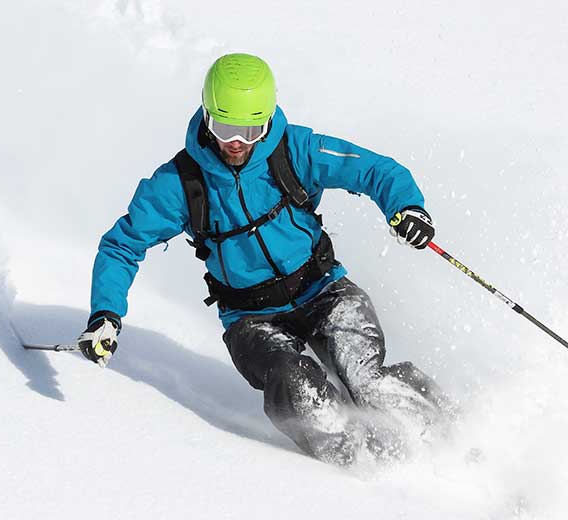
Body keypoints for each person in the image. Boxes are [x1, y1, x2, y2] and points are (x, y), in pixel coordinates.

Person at [77, 53, 452, 464]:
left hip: (325, 289)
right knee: (294, 384)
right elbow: (122, 244)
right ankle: (360, 464)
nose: (236, 141)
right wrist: (105, 314)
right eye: (224, 127)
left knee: (364, 377)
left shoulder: (295, 149)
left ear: (268, 120)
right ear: (206, 116)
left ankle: (449, 438)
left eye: (250, 129)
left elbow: (376, 170)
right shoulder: (180, 183)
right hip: (251, 319)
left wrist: (407, 208)